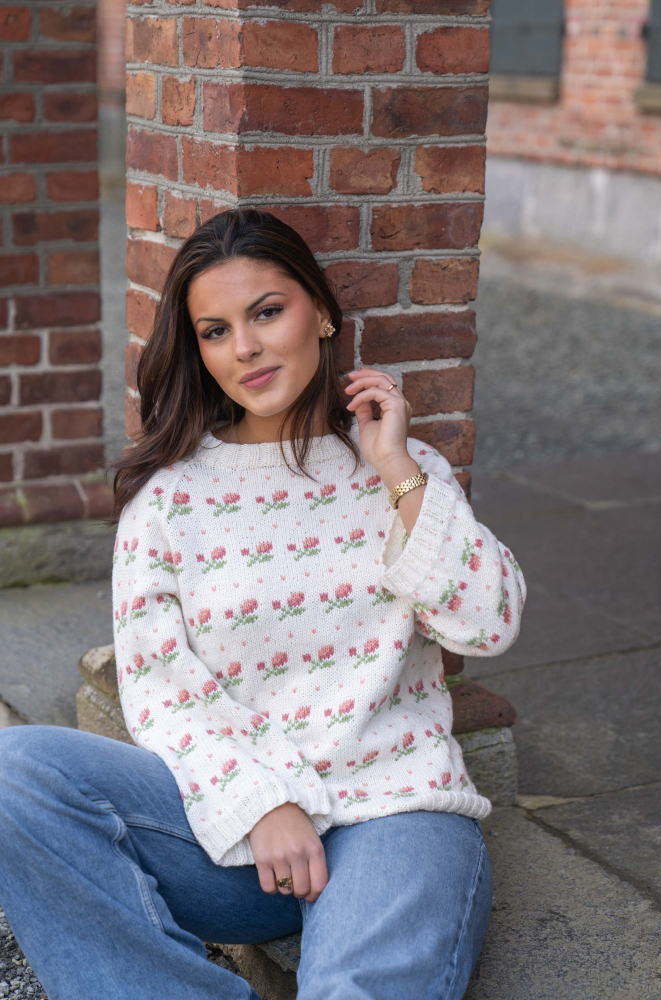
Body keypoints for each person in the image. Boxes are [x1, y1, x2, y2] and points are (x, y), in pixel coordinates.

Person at [0, 208, 526, 1000]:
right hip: (231, 839)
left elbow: (487, 623)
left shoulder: (403, 469)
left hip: (393, 811)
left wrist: (394, 471)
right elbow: (161, 690)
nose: (243, 347)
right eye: (215, 331)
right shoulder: (169, 501)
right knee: (15, 773)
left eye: (267, 312)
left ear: (321, 314)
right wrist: (260, 801)